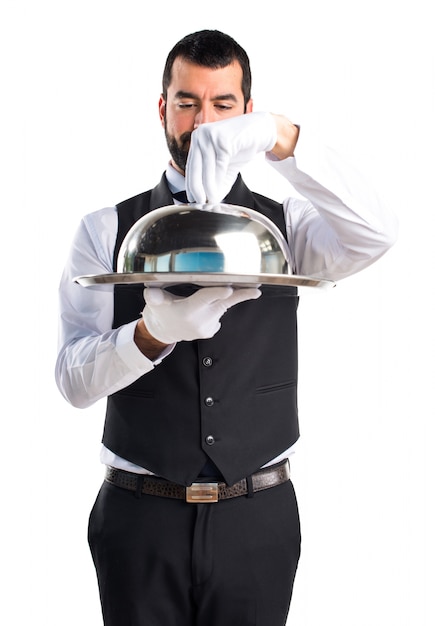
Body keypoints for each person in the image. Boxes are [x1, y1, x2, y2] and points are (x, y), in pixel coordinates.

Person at [55, 29, 398, 626]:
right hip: (139, 519)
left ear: (245, 111)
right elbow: (72, 382)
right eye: (187, 102)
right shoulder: (105, 229)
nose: (202, 123)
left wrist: (284, 138)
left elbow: (376, 234)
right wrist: (151, 334)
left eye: (223, 106)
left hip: (257, 517)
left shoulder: (286, 226)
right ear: (163, 108)